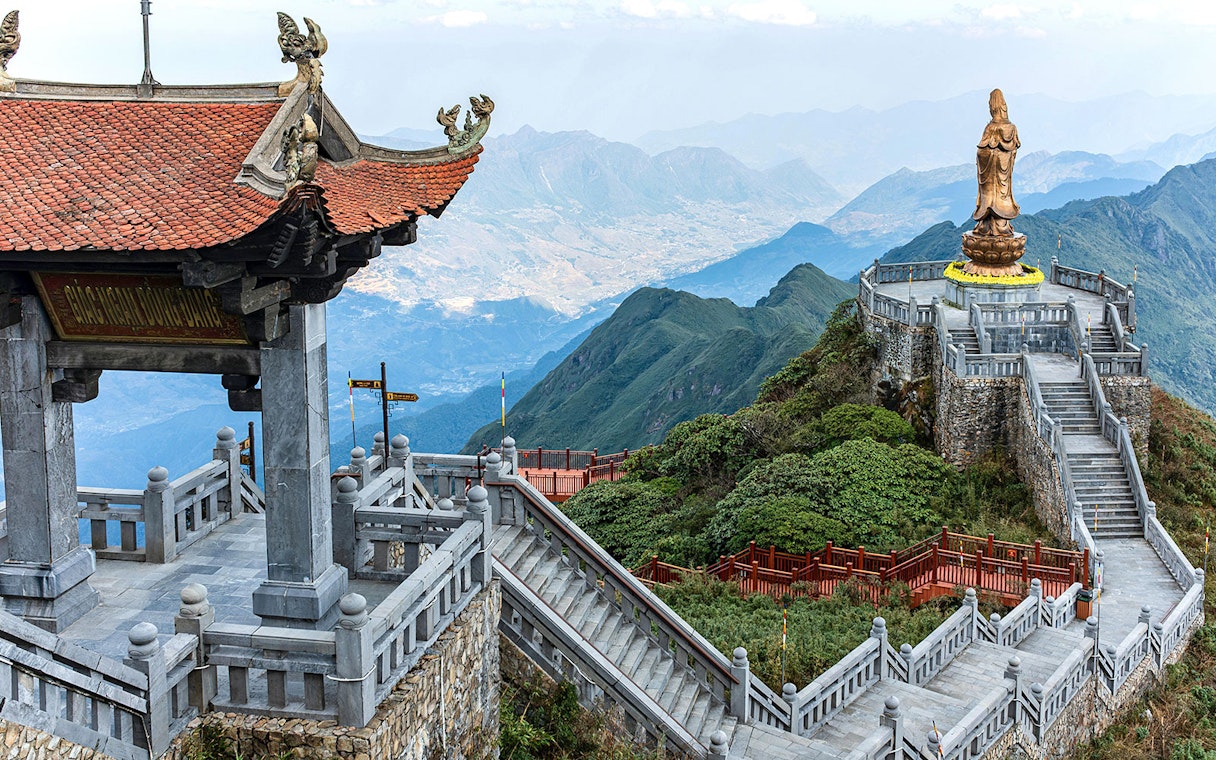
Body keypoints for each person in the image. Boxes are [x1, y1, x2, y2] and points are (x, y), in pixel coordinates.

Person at [973, 89, 1020, 236]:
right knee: (996, 194)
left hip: (999, 181)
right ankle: (997, 223)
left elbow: (981, 152)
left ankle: (994, 223)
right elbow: (1013, 151)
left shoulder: (991, 127)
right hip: (1001, 179)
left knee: (996, 195)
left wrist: (990, 154)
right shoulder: (1011, 128)